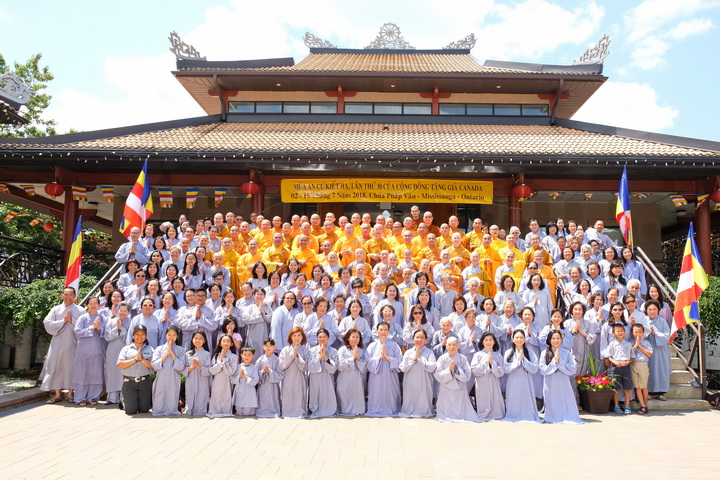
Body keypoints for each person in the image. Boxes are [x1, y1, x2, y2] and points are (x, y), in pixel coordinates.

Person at [41, 286, 85, 404]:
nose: (68, 297)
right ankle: (57, 394)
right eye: (66, 294)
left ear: (75, 296)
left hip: (73, 342)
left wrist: (72, 321)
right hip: (57, 342)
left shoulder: (80, 310)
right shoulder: (55, 309)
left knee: (72, 367)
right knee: (55, 365)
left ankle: (70, 394)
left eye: (71, 294)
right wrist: (63, 321)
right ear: (62, 295)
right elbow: (47, 323)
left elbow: (84, 326)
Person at [539, 330, 584, 424]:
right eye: (553, 338)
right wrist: (554, 362)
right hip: (550, 382)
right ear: (549, 340)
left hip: (564, 382)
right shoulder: (544, 353)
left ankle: (566, 415)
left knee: (565, 399)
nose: (556, 341)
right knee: (552, 399)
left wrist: (560, 363)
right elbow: (542, 370)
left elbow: (572, 368)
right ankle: (553, 416)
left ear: (561, 340)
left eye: (558, 338)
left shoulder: (567, 353)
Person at [434, 337, 479, 422]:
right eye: (449, 345)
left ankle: (459, 415)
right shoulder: (442, 358)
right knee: (446, 406)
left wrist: (456, 370)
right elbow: (438, 374)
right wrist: (449, 370)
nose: (452, 347)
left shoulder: (463, 358)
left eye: (454, 344)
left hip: (459, 387)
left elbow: (467, 375)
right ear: (446, 346)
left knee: (459, 406)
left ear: (458, 345)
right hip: (445, 387)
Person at [71, 297, 105, 406]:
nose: (93, 305)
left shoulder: (102, 318)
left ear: (99, 305)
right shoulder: (82, 318)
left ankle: (93, 397)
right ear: (87, 305)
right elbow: (77, 331)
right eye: (91, 303)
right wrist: (91, 328)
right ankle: (80, 398)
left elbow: (106, 333)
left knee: (96, 373)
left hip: (97, 349)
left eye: (95, 303)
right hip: (83, 350)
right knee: (82, 373)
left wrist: (98, 328)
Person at [502, 329, 541, 423]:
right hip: (513, 380)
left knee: (526, 397)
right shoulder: (508, 352)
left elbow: (535, 368)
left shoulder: (530, 352)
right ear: (513, 339)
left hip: (526, 379)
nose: (519, 339)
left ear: (524, 339)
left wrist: (524, 360)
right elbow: (506, 369)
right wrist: (517, 361)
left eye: (521, 337)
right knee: (513, 397)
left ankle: (527, 414)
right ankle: (513, 414)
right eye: (517, 337)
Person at [366, 322, 403, 417]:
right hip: (376, 376)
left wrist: (388, 358)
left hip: (390, 376)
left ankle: (392, 409)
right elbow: (368, 361)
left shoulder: (394, 345)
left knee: (390, 393)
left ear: (389, 331)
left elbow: (400, 360)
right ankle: (375, 409)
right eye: (381, 330)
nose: (383, 332)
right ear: (377, 331)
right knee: (376, 393)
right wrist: (379, 357)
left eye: (385, 330)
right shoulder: (372, 346)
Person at [116, 324, 154, 415]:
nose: (139, 337)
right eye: (137, 334)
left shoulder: (150, 349)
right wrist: (135, 359)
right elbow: (120, 365)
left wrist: (142, 359)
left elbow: (153, 366)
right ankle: (124, 401)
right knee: (131, 411)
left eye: (142, 334)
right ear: (133, 336)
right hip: (129, 382)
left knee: (144, 410)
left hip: (145, 382)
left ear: (146, 336)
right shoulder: (126, 349)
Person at [398, 329, 437, 418]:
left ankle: (423, 411)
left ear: (425, 340)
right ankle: (408, 410)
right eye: (417, 337)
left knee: (423, 397)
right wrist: (413, 359)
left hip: (424, 381)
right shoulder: (408, 352)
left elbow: (432, 367)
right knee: (410, 397)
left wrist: (420, 359)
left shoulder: (429, 352)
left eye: (422, 338)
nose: (419, 340)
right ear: (413, 339)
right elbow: (403, 368)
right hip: (410, 381)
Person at [151, 325, 185, 416]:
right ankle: (158, 411)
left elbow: (181, 366)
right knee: (160, 394)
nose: (171, 337)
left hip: (174, 377)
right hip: (161, 376)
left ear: (177, 336)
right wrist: (166, 354)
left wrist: (172, 353)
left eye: (174, 335)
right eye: (169, 335)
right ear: (165, 335)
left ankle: (172, 410)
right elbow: (154, 365)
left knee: (172, 394)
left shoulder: (181, 350)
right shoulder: (159, 349)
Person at [471, 332, 505, 421]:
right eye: (486, 340)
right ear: (482, 342)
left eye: (490, 340)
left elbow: (502, 370)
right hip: (482, 381)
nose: (488, 342)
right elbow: (474, 369)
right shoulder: (477, 355)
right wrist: (486, 363)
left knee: (495, 399)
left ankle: (496, 413)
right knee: (483, 399)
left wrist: (492, 363)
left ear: (494, 342)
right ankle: (483, 413)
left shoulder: (498, 355)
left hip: (494, 381)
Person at [278, 327, 311, 418]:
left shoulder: (305, 350)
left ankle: (300, 412)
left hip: (300, 378)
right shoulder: (285, 350)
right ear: (290, 337)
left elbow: (306, 367)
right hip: (287, 377)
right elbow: (281, 366)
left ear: (302, 337)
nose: (297, 338)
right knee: (288, 394)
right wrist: (292, 356)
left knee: (299, 395)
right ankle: (287, 412)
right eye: (294, 335)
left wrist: (297, 357)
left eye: (299, 335)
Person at [103, 301, 132, 405]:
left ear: (129, 312)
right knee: (112, 372)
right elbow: (106, 336)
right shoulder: (111, 321)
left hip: (125, 349)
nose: (122, 313)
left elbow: (130, 337)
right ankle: (112, 398)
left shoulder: (131, 322)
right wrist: (118, 330)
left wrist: (122, 329)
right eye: (120, 310)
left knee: (123, 373)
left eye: (125, 311)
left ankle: (122, 398)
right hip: (112, 349)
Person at [602, 323, 634, 415]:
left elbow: (632, 356)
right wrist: (615, 362)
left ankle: (627, 406)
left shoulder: (628, 344)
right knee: (615, 388)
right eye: (617, 331)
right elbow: (608, 356)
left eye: (621, 331)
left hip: (626, 367)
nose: (620, 333)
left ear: (624, 332)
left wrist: (628, 362)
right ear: (613, 333)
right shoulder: (612, 344)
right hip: (615, 367)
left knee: (627, 387)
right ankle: (616, 405)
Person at [308, 328, 339, 418]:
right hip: (315, 377)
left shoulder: (333, 351)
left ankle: (329, 409)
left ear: (328, 338)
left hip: (327, 378)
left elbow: (334, 368)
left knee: (327, 393)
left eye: (324, 337)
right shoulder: (312, 350)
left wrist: (325, 357)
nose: (322, 339)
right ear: (317, 338)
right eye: (320, 337)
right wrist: (319, 357)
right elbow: (310, 366)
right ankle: (315, 409)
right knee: (315, 394)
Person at [336, 329, 367, 416]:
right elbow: (340, 365)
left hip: (357, 379)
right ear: (348, 338)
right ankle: (344, 411)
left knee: (356, 396)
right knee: (344, 396)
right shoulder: (342, 350)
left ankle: (357, 410)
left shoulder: (361, 351)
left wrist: (358, 359)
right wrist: (352, 358)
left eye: (357, 337)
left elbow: (364, 368)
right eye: (353, 337)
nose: (355, 339)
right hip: (344, 378)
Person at [645, 300, 671, 401]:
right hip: (648, 348)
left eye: (654, 309)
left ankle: (661, 392)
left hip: (660, 349)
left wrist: (655, 333)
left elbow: (667, 335)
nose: (652, 311)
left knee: (660, 369)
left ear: (658, 310)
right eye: (650, 309)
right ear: (646, 310)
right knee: (650, 369)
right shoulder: (644, 321)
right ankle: (650, 392)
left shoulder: (662, 321)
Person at [207, 334, 238, 417]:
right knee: (216, 395)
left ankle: (226, 411)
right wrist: (221, 359)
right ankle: (214, 411)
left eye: (228, 341)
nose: (225, 343)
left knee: (226, 396)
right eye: (223, 341)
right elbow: (212, 371)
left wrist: (224, 360)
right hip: (217, 380)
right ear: (220, 343)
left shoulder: (234, 357)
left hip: (227, 380)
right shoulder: (216, 356)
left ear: (231, 344)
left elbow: (231, 372)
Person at [183, 331, 212, 415]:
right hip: (191, 379)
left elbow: (209, 370)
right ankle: (190, 410)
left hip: (202, 379)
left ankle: (201, 411)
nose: (198, 340)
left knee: (202, 394)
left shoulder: (207, 354)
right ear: (192, 340)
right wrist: (193, 366)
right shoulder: (188, 354)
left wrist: (199, 366)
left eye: (200, 338)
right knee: (190, 393)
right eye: (196, 338)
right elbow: (184, 369)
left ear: (204, 341)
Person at [255, 338, 284, 418]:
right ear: (263, 347)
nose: (268, 347)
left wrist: (270, 372)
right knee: (262, 399)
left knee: (273, 398)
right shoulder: (260, 359)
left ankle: (274, 411)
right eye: (266, 345)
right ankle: (261, 411)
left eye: (271, 345)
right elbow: (255, 373)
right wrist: (262, 372)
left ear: (274, 347)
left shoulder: (277, 360)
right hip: (263, 386)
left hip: (273, 386)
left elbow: (281, 374)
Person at [631, 324, 653, 414]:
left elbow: (649, 354)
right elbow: (629, 353)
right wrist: (635, 345)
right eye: (636, 332)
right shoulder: (630, 342)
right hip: (633, 364)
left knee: (644, 386)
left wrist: (640, 345)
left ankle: (645, 405)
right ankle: (642, 405)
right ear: (632, 333)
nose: (638, 334)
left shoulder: (646, 342)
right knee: (637, 387)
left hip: (643, 364)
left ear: (643, 333)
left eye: (640, 332)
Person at [233, 346, 260, 416]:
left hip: (249, 394)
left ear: (253, 356)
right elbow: (232, 380)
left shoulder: (254, 368)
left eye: (249, 355)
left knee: (248, 413)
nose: (246, 357)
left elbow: (255, 381)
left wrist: (246, 377)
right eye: (244, 354)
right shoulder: (238, 367)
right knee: (239, 412)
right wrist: (239, 376)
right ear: (241, 355)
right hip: (239, 392)